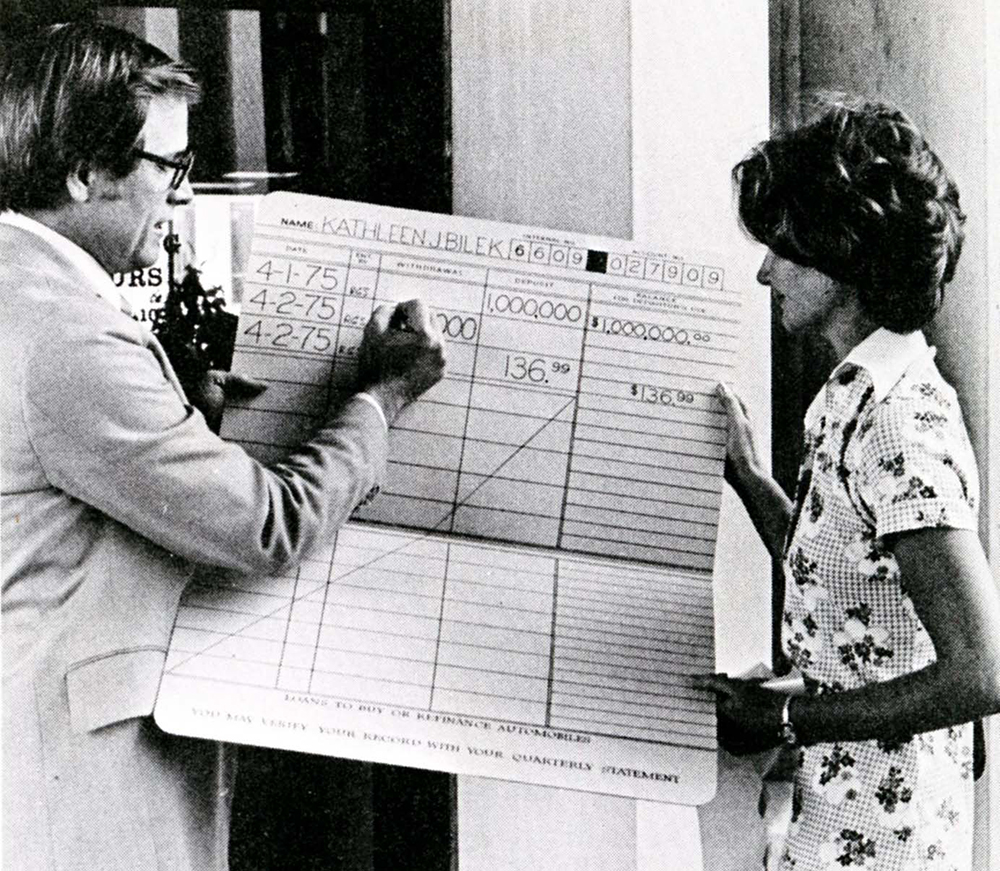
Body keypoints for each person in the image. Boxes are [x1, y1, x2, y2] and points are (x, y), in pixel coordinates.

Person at [0, 22, 445, 870]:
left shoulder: (21, 290)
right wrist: (380, 400)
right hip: (85, 788)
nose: (183, 196)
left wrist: (186, 409)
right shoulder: (67, 337)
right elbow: (266, 527)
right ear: (83, 170)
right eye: (169, 166)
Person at [696, 99, 1000, 871]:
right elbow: (841, 568)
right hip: (834, 817)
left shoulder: (902, 417)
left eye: (783, 249)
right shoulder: (851, 395)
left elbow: (984, 669)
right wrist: (749, 476)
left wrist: (790, 716)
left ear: (842, 252)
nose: (765, 270)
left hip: (890, 842)